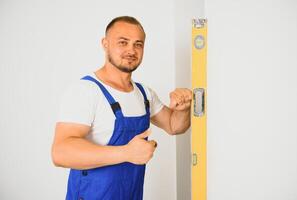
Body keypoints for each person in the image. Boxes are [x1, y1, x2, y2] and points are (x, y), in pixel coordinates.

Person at [51, 16, 192, 200]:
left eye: (138, 44)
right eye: (123, 42)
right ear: (105, 44)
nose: (131, 50)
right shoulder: (86, 91)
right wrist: (126, 153)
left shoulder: (144, 94)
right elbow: (61, 152)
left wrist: (183, 109)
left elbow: (174, 126)